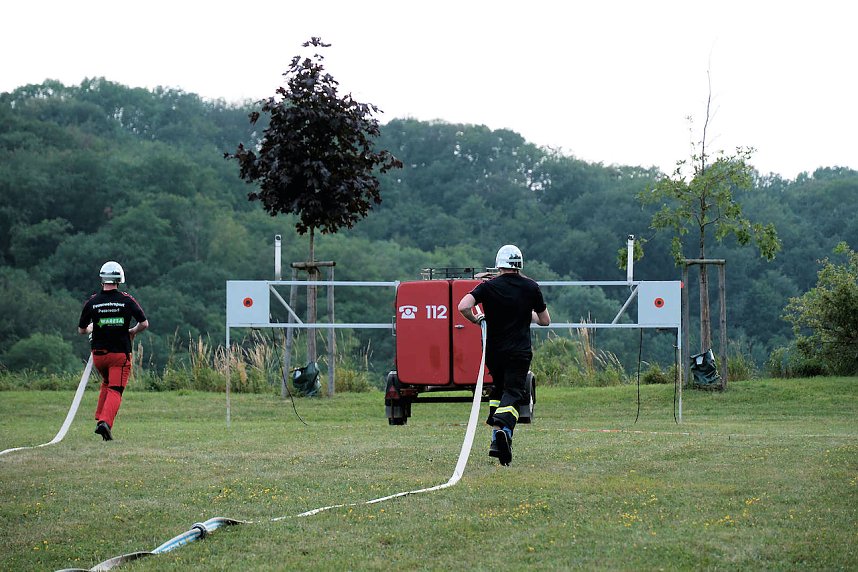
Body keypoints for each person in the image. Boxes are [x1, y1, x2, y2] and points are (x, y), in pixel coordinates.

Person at [458, 244, 550, 466]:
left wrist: (477, 319)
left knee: (498, 390)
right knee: (514, 393)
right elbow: (545, 320)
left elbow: (463, 306)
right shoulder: (531, 287)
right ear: (519, 265)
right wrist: (525, 313)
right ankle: (501, 426)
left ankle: (498, 439)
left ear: (499, 264)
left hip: (494, 352)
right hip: (519, 352)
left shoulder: (488, 287)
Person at [77, 261, 148, 441]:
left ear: (102, 279)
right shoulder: (126, 300)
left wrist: (92, 327)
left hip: (99, 355)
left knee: (107, 383)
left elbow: (81, 330)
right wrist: (132, 331)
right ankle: (105, 423)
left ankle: (100, 417)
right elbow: (144, 323)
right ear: (119, 280)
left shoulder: (92, 302)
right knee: (116, 389)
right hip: (120, 355)